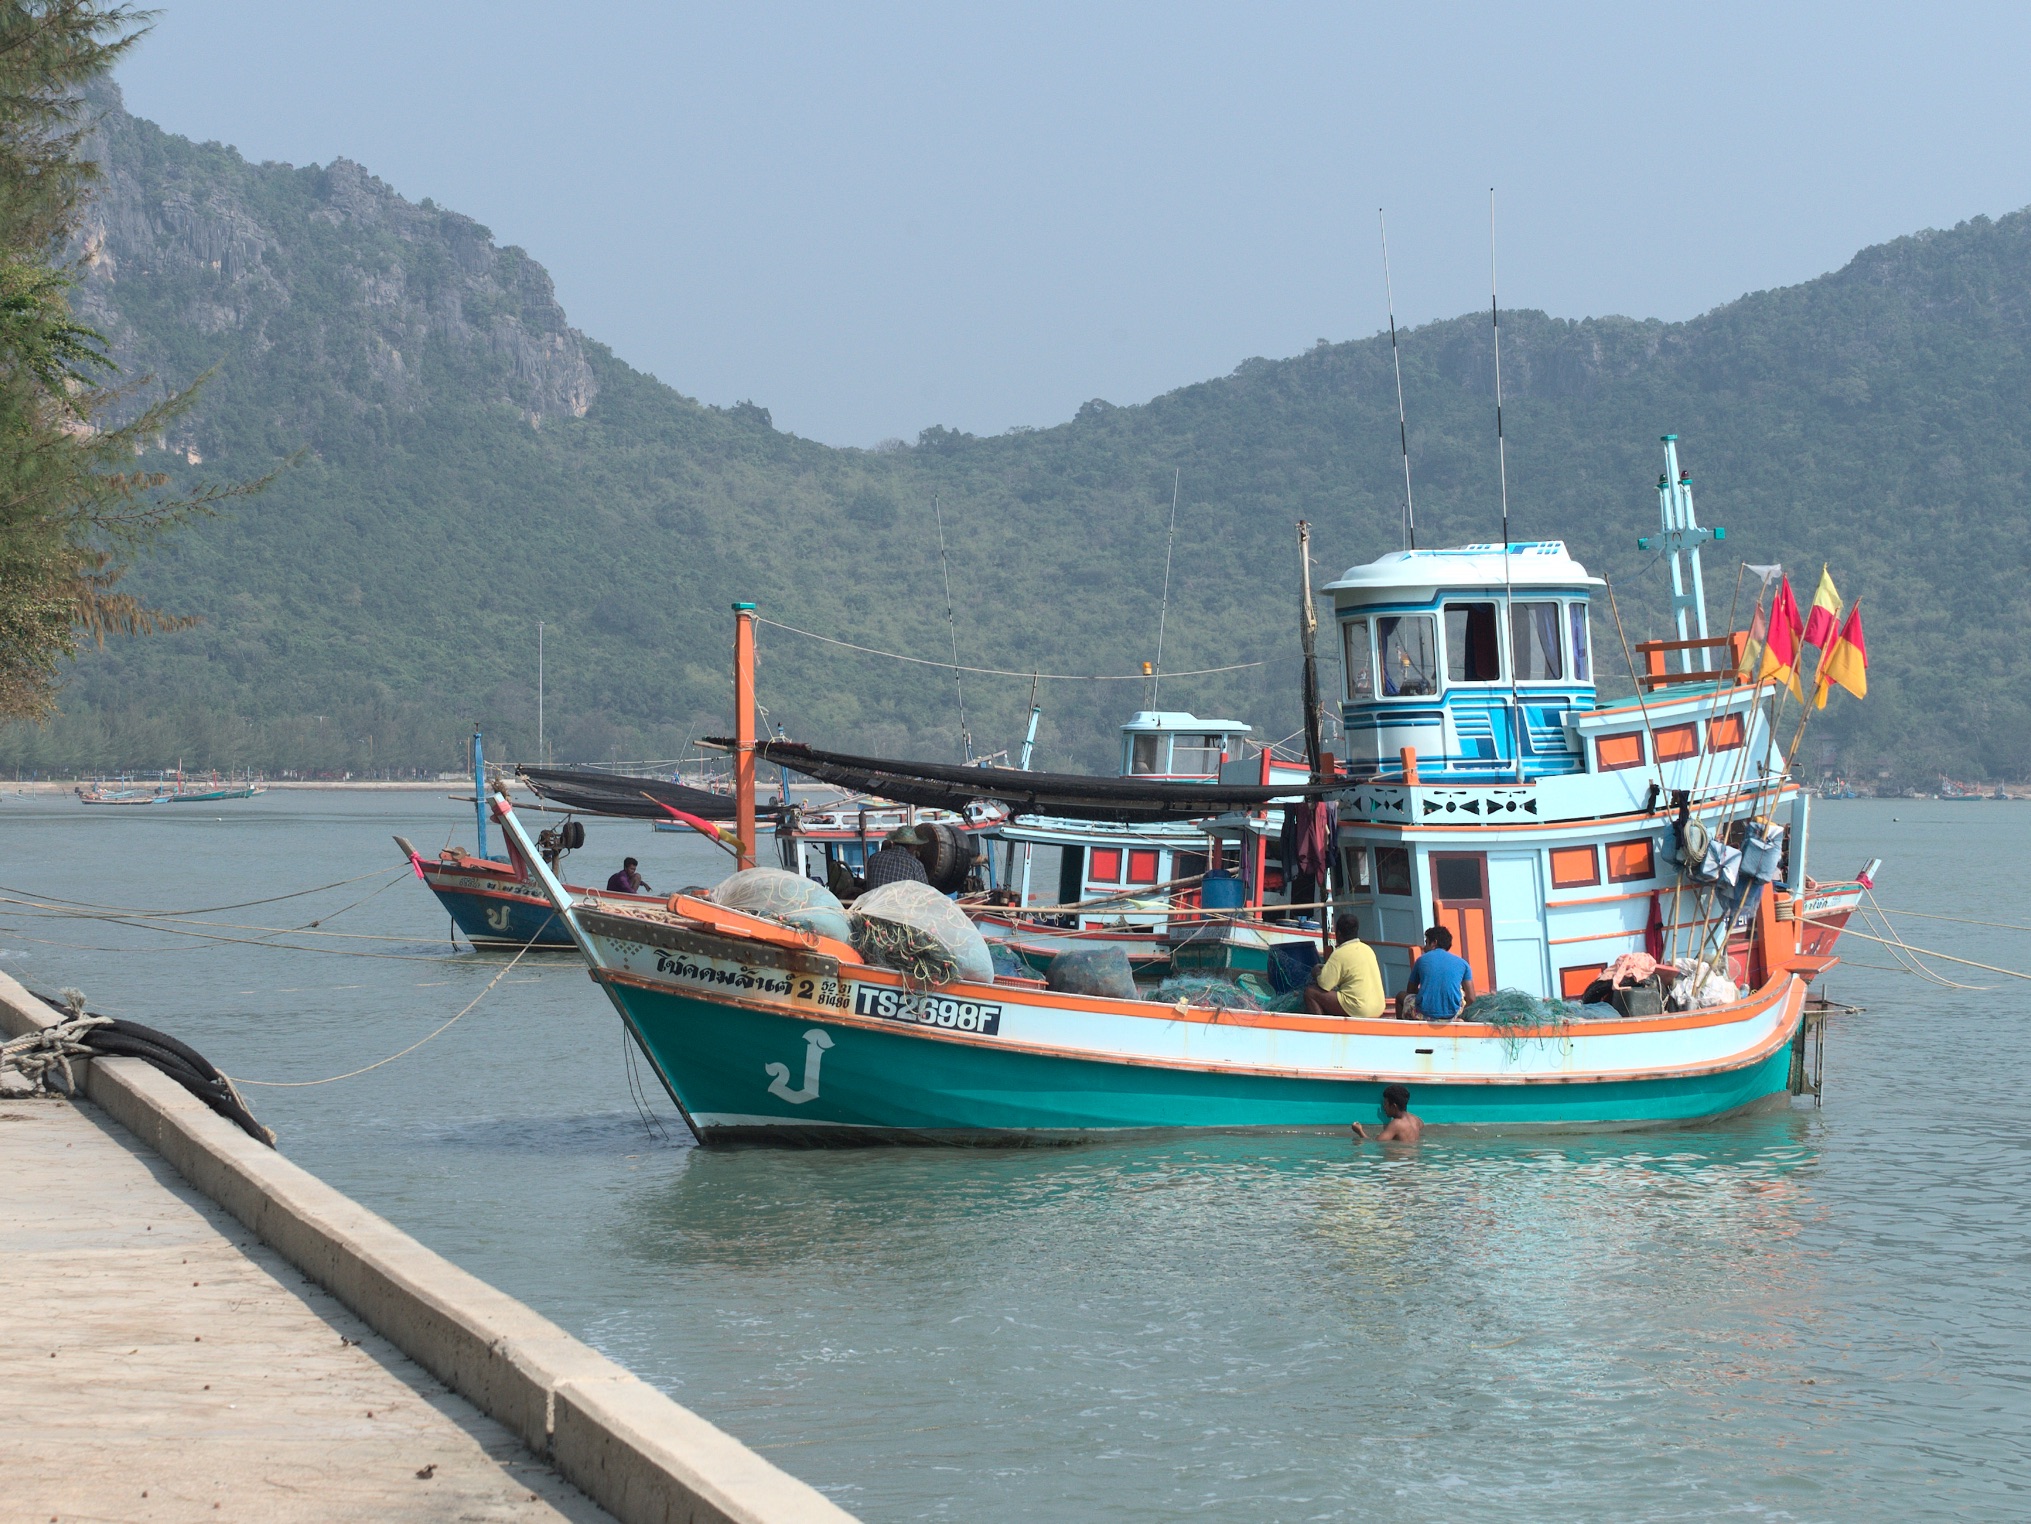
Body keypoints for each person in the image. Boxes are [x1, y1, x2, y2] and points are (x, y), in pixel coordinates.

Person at [1304, 912, 1385, 1019]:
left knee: (1310, 992)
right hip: (1378, 1008)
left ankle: (1321, 1026)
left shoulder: (1339, 954)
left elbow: (1324, 984)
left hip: (1360, 1009)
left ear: (1338, 933)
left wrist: (1317, 973)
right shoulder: (1368, 949)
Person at [1400, 925, 1474, 1021]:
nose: (1424, 948)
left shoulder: (1421, 960)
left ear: (1434, 943)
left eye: (1426, 942)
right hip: (1451, 1014)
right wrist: (1455, 1011)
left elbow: (1411, 990)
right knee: (1460, 992)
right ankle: (1451, 1020)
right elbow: (1471, 998)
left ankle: (1402, 1028)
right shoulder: (1463, 963)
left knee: (1400, 996)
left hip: (1424, 1013)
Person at [862, 825, 931, 889]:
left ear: (894, 843)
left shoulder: (874, 858)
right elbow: (925, 891)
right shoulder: (915, 865)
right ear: (912, 846)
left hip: (875, 898)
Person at [1352, 1083, 1422, 1143]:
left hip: (1399, 1154)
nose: (1384, 1107)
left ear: (1394, 1106)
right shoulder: (1417, 1120)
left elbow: (1374, 1143)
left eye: (1385, 1104)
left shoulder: (1396, 1124)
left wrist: (1359, 1131)